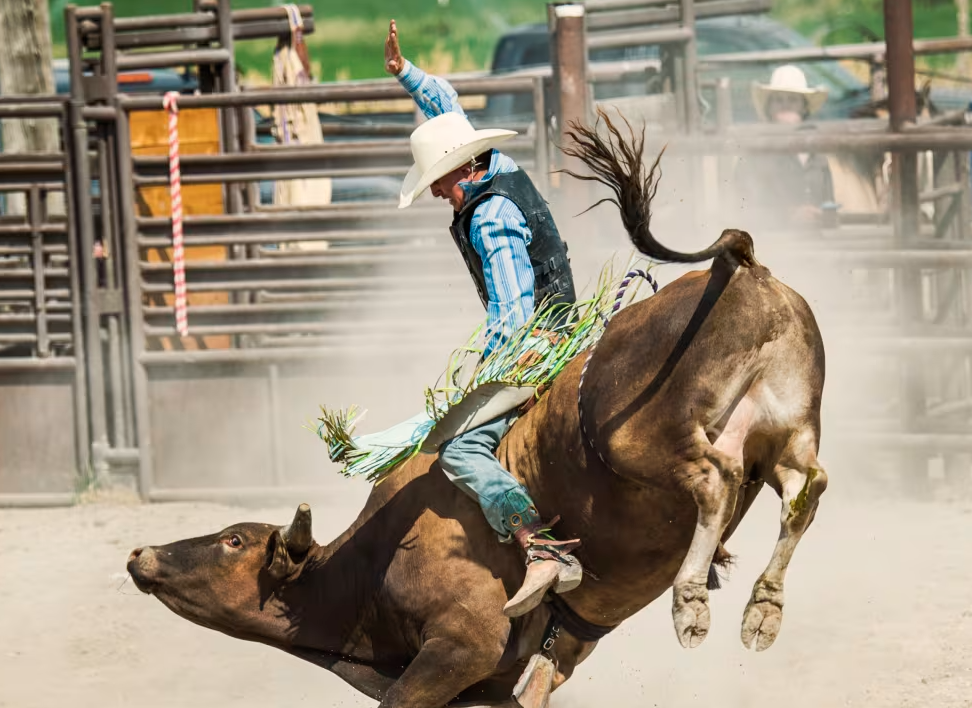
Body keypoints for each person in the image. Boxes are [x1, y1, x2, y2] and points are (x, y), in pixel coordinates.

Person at [385, 19, 583, 618]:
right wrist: (407, 74)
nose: (440, 194)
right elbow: (446, 108)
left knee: (460, 450)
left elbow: (513, 310)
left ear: (462, 171)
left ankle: (538, 544)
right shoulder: (492, 164)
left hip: (539, 343)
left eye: (439, 183)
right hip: (569, 324)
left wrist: (488, 374)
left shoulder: (489, 215)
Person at [736, 64, 836, 225]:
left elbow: (829, 204)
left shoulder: (816, 153)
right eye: (778, 100)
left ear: (804, 108)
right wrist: (788, 215)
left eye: (793, 99)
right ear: (769, 108)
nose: (785, 105)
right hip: (773, 243)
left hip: (816, 239)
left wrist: (822, 215)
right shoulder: (754, 154)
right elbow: (743, 210)